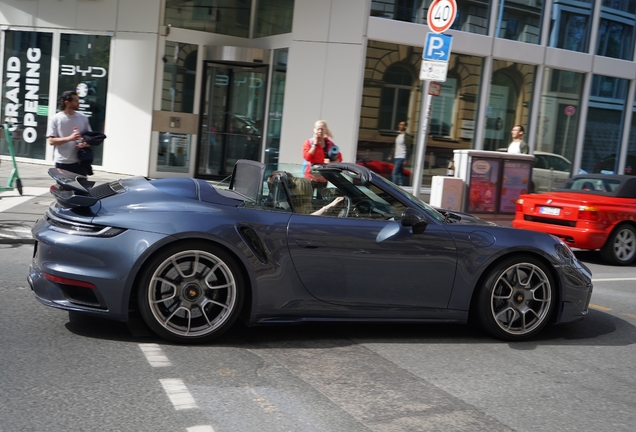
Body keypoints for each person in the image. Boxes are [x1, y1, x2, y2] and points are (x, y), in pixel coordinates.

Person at [46, 90, 92, 175]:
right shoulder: (55, 119)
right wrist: (69, 138)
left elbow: (90, 138)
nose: (79, 103)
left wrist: (86, 143)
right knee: (64, 188)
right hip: (63, 162)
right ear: (67, 103)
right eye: (76, 101)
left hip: (80, 161)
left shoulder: (83, 118)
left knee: (81, 188)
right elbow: (51, 141)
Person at [303, 120, 342, 197]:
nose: (320, 131)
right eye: (318, 129)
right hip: (311, 177)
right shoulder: (308, 142)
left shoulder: (330, 144)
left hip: (323, 178)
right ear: (314, 130)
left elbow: (339, 159)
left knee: (320, 201)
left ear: (325, 130)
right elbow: (307, 157)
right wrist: (314, 144)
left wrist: (330, 163)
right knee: (307, 199)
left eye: (322, 129)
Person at [390, 120, 410, 185]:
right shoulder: (398, 135)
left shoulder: (407, 137)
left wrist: (406, 159)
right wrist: (391, 155)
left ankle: (393, 186)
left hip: (402, 156)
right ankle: (403, 186)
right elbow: (395, 146)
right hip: (396, 156)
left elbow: (408, 148)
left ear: (405, 126)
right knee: (400, 173)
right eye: (399, 124)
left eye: (402, 125)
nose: (400, 126)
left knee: (395, 172)